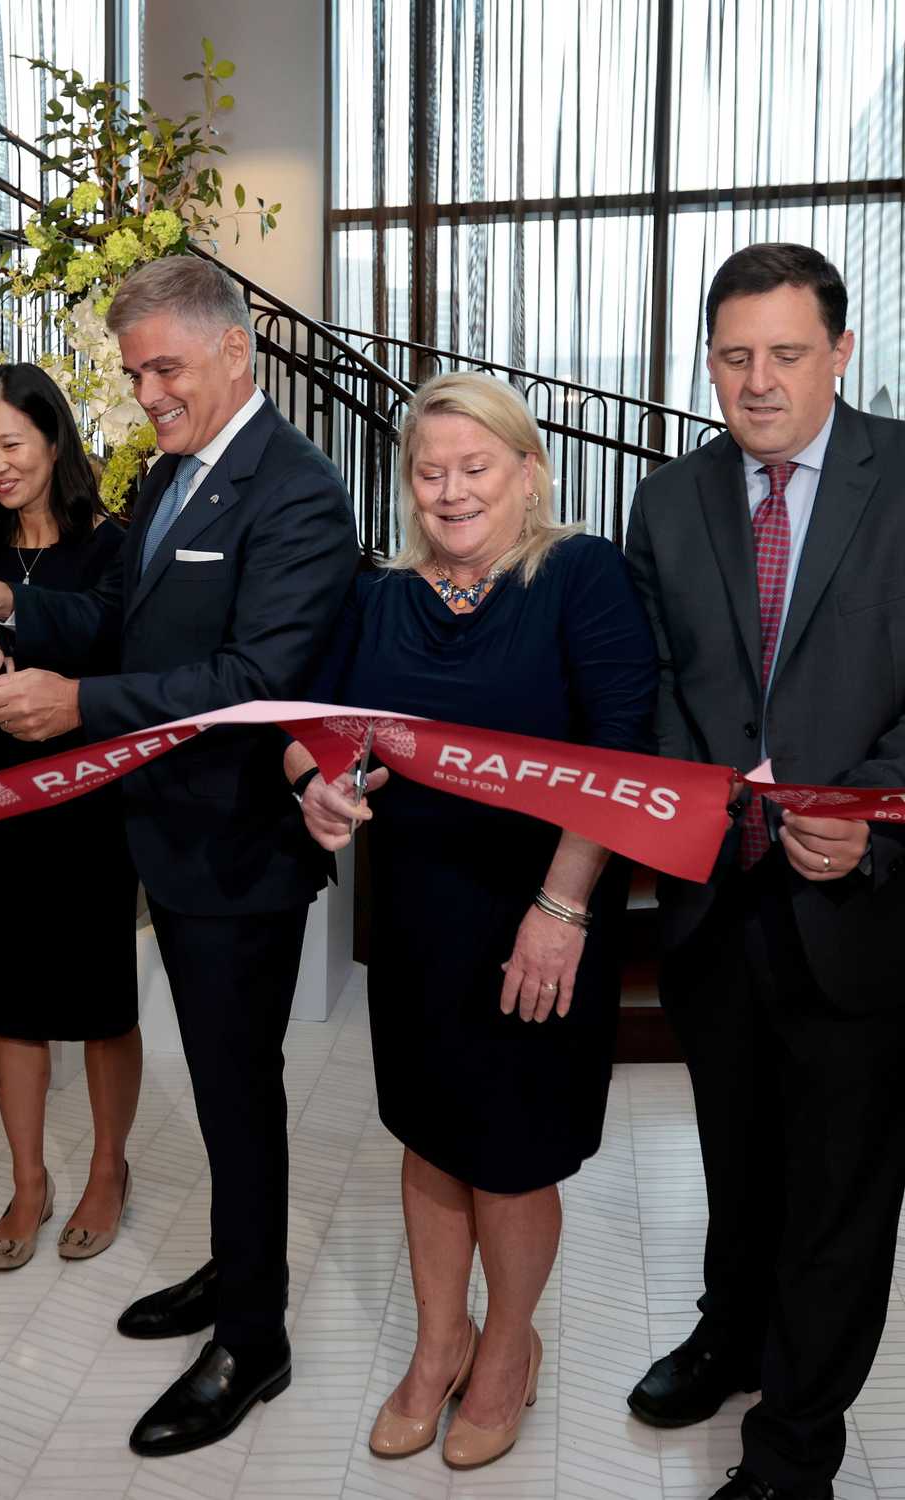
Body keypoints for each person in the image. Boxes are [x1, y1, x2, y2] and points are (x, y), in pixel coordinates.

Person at [0, 254, 360, 1456]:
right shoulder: (174, 472)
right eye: (133, 373)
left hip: (237, 852)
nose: (148, 392)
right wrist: (7, 605)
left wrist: (79, 706)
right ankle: (233, 1274)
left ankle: (253, 1338)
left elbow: (253, 682)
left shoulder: (299, 493)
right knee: (221, 1088)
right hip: (165, 839)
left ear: (237, 350)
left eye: (166, 367)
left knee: (234, 1092)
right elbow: (119, 619)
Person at [292, 372, 654, 1468]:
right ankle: (436, 1342)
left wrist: (560, 908)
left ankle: (505, 1350)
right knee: (426, 1138)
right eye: (428, 471)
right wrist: (312, 782)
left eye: (474, 468)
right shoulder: (378, 597)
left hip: (538, 914)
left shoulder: (577, 576)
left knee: (507, 1155)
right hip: (412, 917)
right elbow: (321, 728)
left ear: (526, 472)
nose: (449, 491)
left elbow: (617, 752)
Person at [624, 243, 905, 1500]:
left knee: (838, 1194)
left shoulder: (901, 479)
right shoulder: (667, 499)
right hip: (711, 901)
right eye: (732, 357)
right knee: (733, 1157)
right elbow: (656, 691)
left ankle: (795, 1444)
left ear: (840, 353)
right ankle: (726, 1335)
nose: (756, 382)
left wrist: (875, 823)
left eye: (785, 355)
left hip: (861, 910)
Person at [0, 363, 139, 1272]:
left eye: (11, 444)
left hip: (91, 795)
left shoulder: (114, 545)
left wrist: (10, 607)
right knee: (9, 998)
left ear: (56, 441)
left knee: (100, 1000)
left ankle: (106, 1169)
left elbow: (101, 632)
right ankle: (28, 1181)